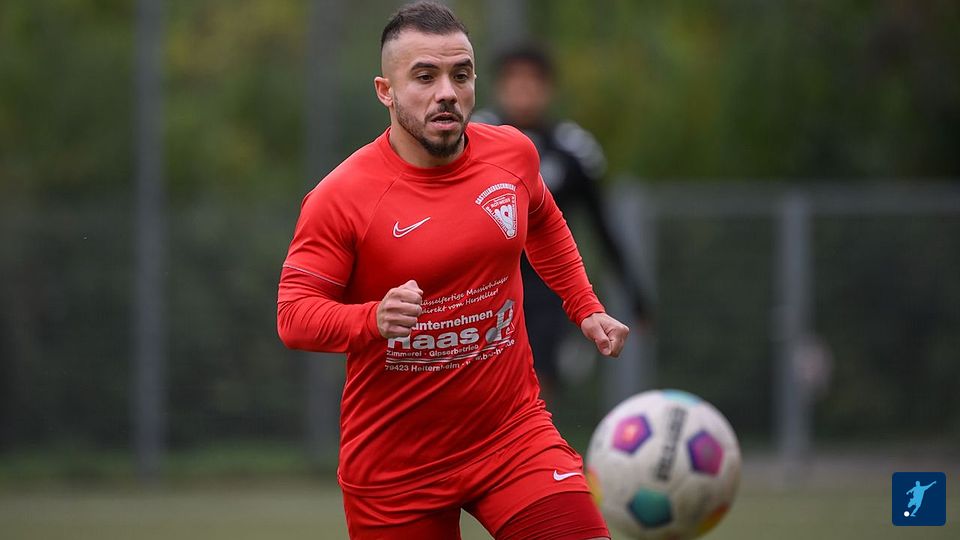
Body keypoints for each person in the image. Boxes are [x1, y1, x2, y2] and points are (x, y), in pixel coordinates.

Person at [277, 3, 627, 538]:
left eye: (461, 75)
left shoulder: (513, 155)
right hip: (396, 466)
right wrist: (372, 319)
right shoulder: (340, 197)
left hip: (512, 437)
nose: (447, 92)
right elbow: (294, 316)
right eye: (425, 77)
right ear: (385, 91)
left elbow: (544, 223)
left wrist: (585, 307)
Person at [473, 44, 649, 399]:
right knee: (479, 382)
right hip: (483, 280)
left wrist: (635, 293)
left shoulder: (573, 149)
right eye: (514, 80)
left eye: (532, 80)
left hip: (545, 286)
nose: (523, 89)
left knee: (536, 384)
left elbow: (602, 225)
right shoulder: (473, 138)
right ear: (500, 87)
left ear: (548, 88)